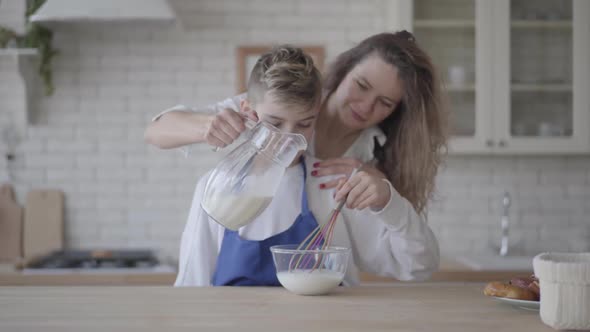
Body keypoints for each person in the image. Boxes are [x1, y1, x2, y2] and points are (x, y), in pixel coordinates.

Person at [147, 31, 449, 285]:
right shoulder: (215, 187)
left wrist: (387, 198)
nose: (366, 106)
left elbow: (417, 265)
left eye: (384, 102)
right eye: (362, 86)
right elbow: (192, 285)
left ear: (314, 115)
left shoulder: (339, 182)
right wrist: (206, 126)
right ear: (250, 114)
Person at [176, 45, 323, 286]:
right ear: (248, 111)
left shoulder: (328, 184)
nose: (288, 138)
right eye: (275, 122)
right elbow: (193, 279)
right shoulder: (216, 186)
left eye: (304, 124)